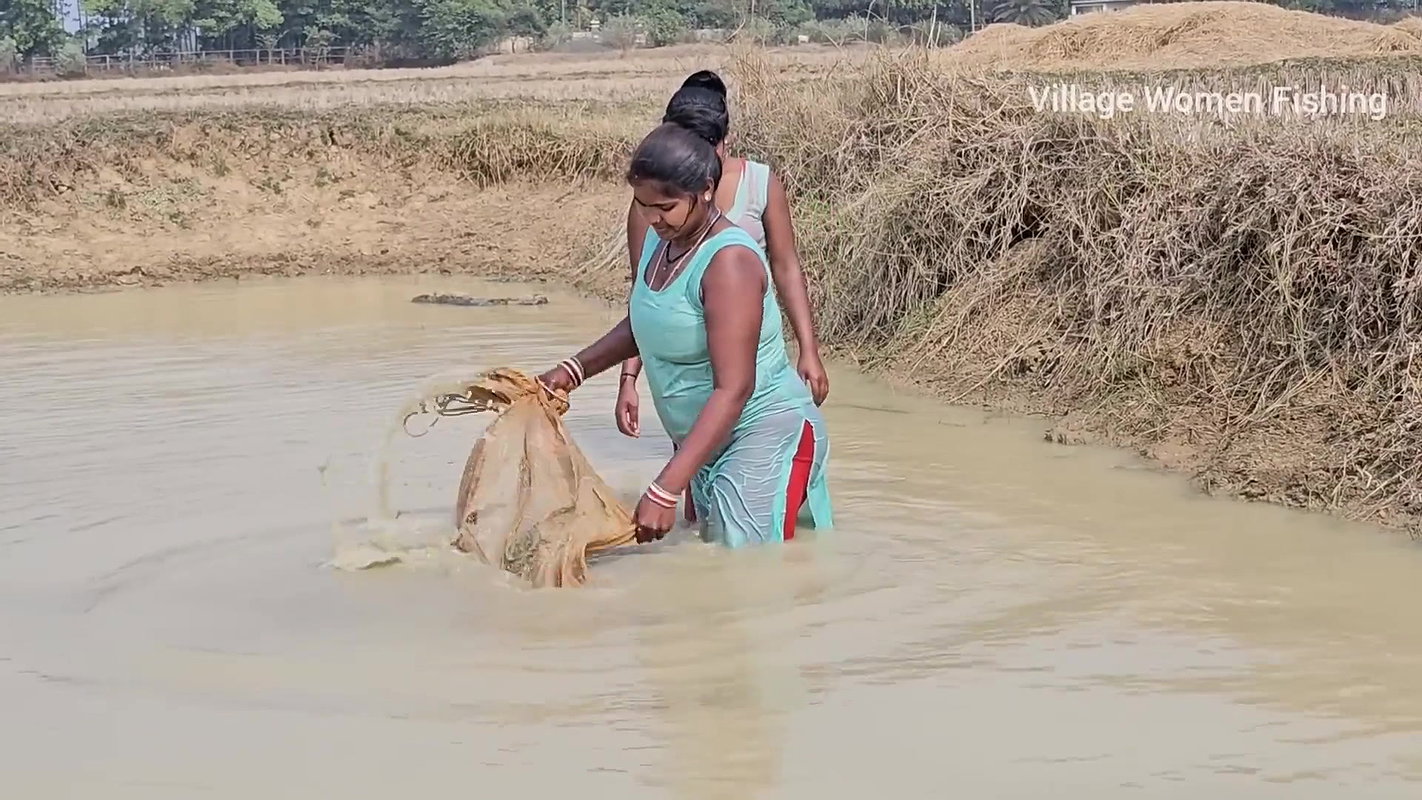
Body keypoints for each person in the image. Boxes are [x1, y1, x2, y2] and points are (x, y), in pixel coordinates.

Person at [538, 122, 833, 547]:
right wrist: (574, 370)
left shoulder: (729, 262)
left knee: (743, 571)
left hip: (761, 431)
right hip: (704, 437)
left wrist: (664, 487)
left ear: (707, 190)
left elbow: (735, 388)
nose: (653, 218)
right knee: (701, 556)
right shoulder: (665, 244)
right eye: (643, 206)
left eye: (666, 206)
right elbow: (649, 324)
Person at [615, 70, 829, 521]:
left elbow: (787, 267)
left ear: (722, 146)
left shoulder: (753, 195)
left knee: (746, 522)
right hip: (688, 385)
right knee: (700, 520)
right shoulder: (657, 209)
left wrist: (809, 348)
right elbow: (649, 300)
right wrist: (628, 378)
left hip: (744, 385)